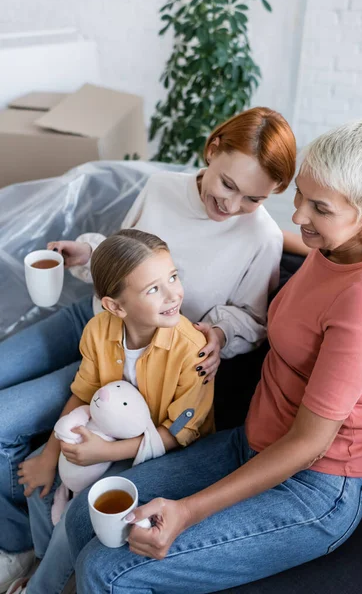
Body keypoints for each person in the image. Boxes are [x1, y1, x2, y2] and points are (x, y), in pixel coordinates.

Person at [64, 118, 362, 594]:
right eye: (299, 196)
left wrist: (189, 511)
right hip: (254, 442)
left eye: (318, 208)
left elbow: (308, 444)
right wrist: (263, 233)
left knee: (109, 567)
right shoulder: (333, 248)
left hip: (316, 485)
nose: (300, 216)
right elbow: (288, 240)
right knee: (85, 513)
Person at [0, 106, 296, 590]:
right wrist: (87, 253)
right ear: (212, 149)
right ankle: (15, 545)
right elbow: (123, 250)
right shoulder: (162, 188)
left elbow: (252, 319)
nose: (233, 204)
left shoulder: (260, 235)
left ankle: (19, 553)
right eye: (227, 185)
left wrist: (218, 334)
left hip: (145, 358)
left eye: (253, 198)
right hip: (99, 322)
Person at [6, 229, 214, 594]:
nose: (173, 294)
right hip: (107, 430)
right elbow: (82, 392)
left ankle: (41, 587)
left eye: (173, 278)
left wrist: (104, 453)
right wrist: (50, 455)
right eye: (153, 289)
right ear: (115, 306)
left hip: (160, 448)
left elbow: (179, 434)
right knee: (38, 478)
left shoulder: (190, 351)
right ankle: (41, 561)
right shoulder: (99, 330)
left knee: (80, 513)